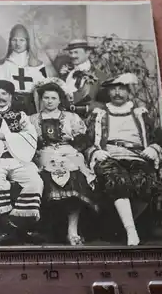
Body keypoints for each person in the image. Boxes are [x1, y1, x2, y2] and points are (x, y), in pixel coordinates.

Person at [85, 73, 162, 246]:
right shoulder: (99, 114)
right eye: (113, 89)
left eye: (121, 88)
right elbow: (85, 139)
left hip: (137, 157)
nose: (117, 93)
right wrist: (94, 152)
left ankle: (117, 227)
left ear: (129, 91)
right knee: (117, 180)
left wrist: (153, 148)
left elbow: (159, 138)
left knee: (147, 182)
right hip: (110, 157)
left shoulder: (141, 114)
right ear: (108, 92)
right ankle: (131, 231)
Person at [0, 79, 43, 245]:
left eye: (4, 93)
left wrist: (5, 136)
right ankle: (9, 227)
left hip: (19, 159)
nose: (0, 97)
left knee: (34, 181)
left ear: (10, 96)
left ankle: (17, 227)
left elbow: (31, 137)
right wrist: (16, 140)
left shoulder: (21, 116)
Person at [30, 78, 97, 245]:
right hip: (44, 153)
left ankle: (72, 230)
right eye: (46, 98)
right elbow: (28, 142)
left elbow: (83, 141)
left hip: (68, 151)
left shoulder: (71, 117)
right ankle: (51, 229)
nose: (49, 101)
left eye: (53, 98)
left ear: (60, 100)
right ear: (41, 99)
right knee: (47, 178)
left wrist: (73, 141)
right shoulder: (31, 119)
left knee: (75, 177)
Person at [0, 24, 46, 115]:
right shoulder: (1, 65)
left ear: (27, 42)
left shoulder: (38, 65)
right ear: (10, 42)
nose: (18, 44)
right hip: (8, 106)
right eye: (14, 40)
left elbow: (46, 91)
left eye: (21, 40)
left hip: (32, 107)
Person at [57, 39, 107, 118]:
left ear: (88, 53)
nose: (72, 56)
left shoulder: (100, 76)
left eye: (76, 52)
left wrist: (86, 109)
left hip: (88, 121)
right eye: (70, 53)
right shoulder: (65, 75)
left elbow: (106, 104)